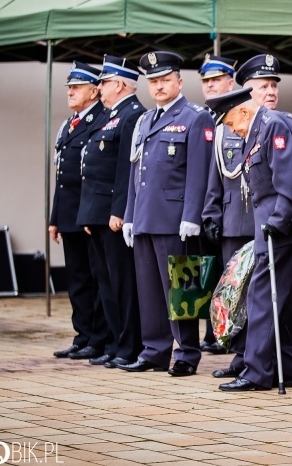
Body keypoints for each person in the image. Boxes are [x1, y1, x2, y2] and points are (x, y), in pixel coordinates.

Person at [118, 51, 215, 378]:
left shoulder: (195, 116)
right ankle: (155, 350)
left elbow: (199, 172)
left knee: (182, 289)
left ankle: (187, 352)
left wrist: (193, 215)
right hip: (146, 217)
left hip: (176, 219)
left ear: (178, 80)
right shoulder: (145, 120)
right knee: (149, 291)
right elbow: (136, 173)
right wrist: (129, 215)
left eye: (164, 80)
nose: (158, 87)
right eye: (153, 81)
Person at [208, 87, 292, 392]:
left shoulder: (272, 125)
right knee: (278, 301)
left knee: (261, 300)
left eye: (229, 122)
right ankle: (285, 368)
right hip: (268, 226)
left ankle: (256, 372)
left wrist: (277, 222)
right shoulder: (258, 127)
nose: (231, 129)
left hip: (278, 229)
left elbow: (287, 180)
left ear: (242, 111)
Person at [77, 54, 146, 369]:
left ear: (119, 84)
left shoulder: (132, 115)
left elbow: (125, 170)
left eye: (103, 82)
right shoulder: (110, 115)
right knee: (105, 282)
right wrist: (90, 213)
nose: (99, 87)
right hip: (98, 212)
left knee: (122, 283)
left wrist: (119, 211)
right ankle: (114, 342)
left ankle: (129, 345)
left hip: (113, 215)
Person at [51, 62, 109, 361]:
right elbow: (61, 175)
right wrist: (54, 218)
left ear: (94, 90)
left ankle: (98, 338)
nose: (70, 92)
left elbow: (95, 174)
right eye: (69, 88)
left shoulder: (101, 120)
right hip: (69, 215)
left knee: (95, 278)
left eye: (77, 87)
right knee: (76, 280)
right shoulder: (68, 124)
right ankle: (82, 334)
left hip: (89, 214)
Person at [198, 54, 240, 356]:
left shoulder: (237, 114)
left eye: (215, 80)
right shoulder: (201, 116)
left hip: (228, 209)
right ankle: (210, 331)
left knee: (229, 275)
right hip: (199, 208)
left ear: (230, 81)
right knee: (203, 273)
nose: (210, 86)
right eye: (206, 81)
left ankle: (225, 333)